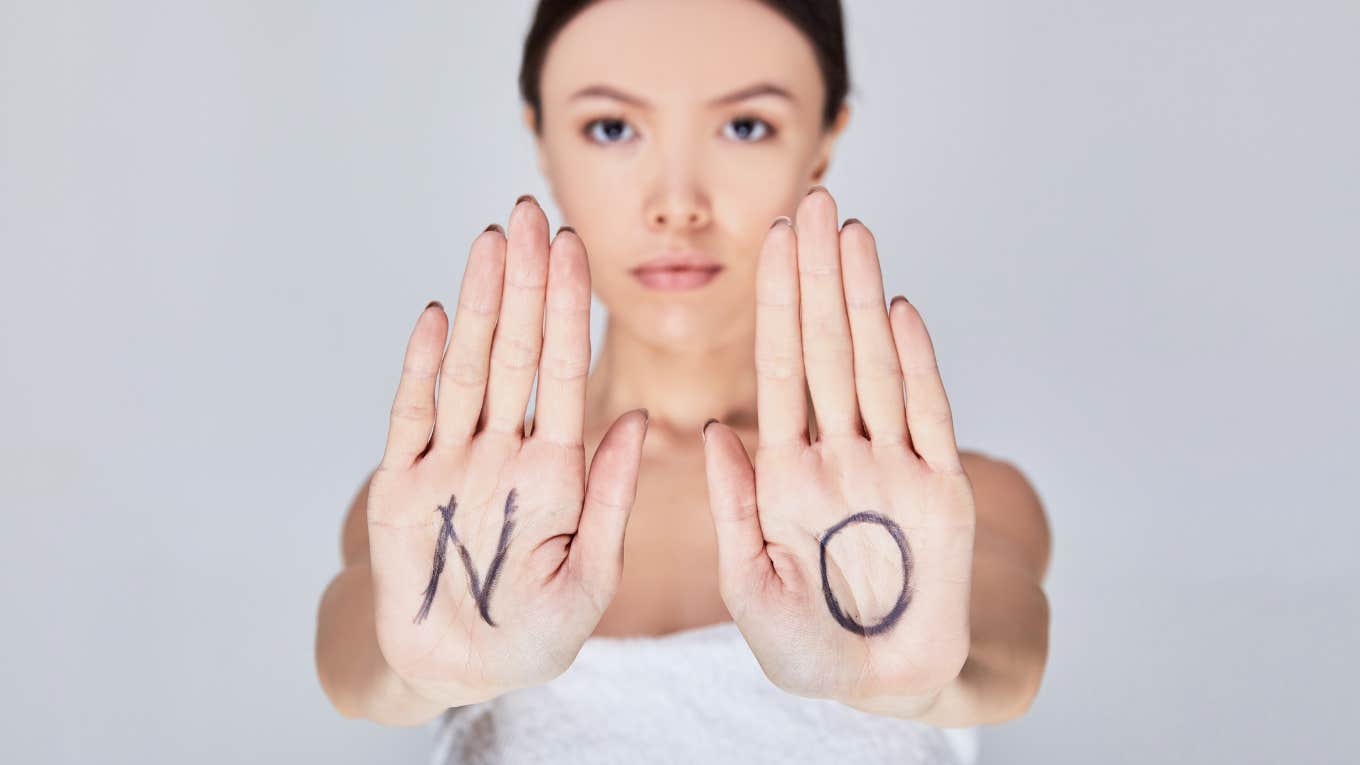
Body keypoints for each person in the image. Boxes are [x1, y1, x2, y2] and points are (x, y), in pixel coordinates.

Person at [315, 1, 1052, 762]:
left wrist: (928, 686)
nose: (677, 205)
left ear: (825, 140)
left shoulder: (942, 501)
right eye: (611, 127)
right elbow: (353, 662)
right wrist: (414, 673)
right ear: (539, 135)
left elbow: (1003, 661)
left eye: (744, 126)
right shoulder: (448, 512)